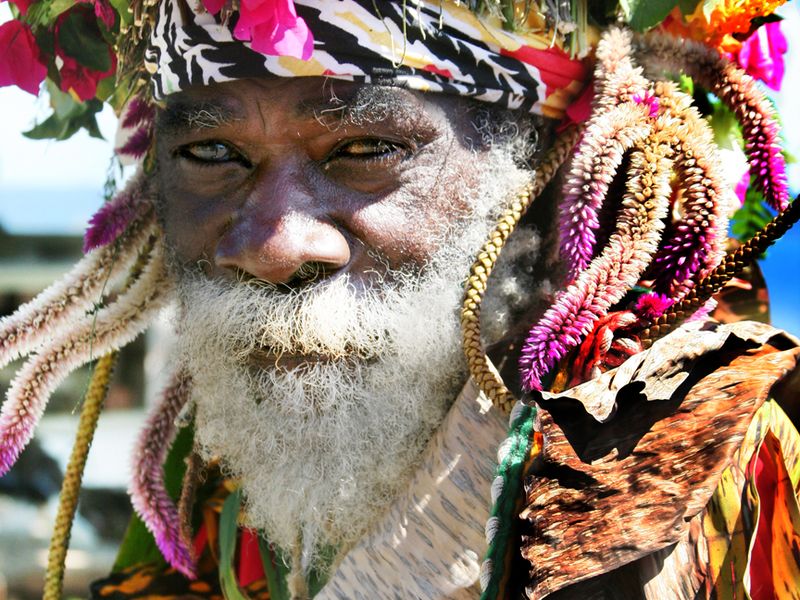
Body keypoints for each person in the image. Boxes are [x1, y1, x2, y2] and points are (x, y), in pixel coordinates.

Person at [0, 0, 798, 598]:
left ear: (544, 170)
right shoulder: (209, 484)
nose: (275, 246)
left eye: (364, 150)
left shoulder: (726, 461)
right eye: (213, 153)